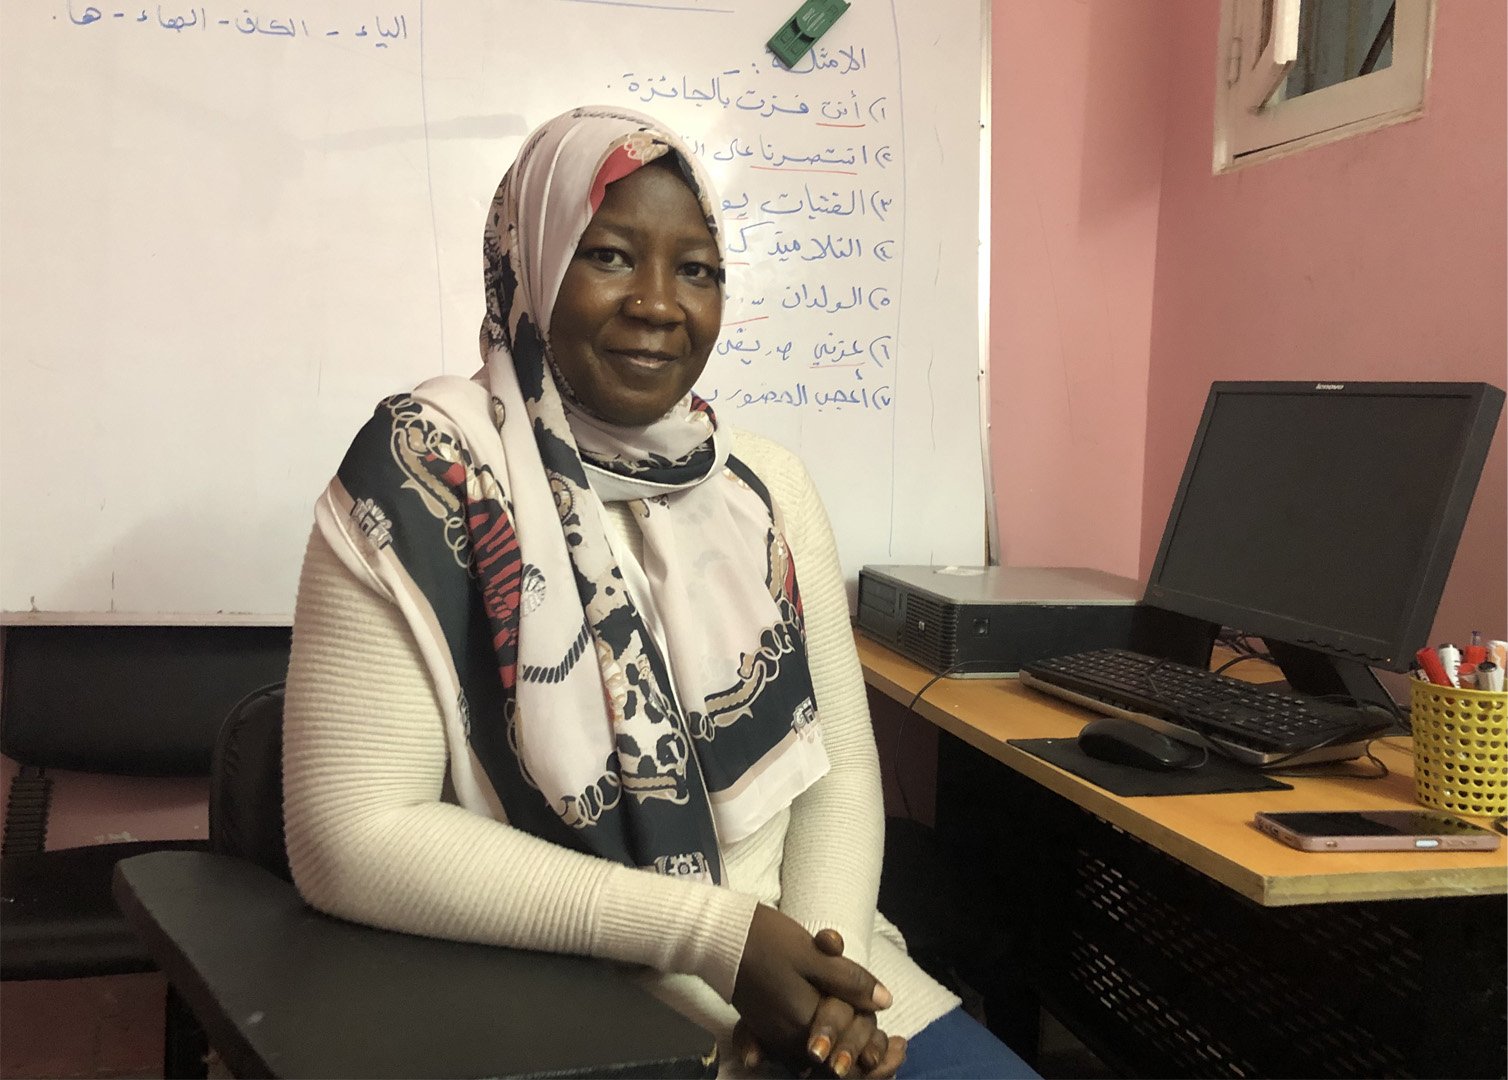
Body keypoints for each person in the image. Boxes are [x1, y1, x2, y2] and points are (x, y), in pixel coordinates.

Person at [283, 104, 1036, 1079]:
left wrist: (819, 991)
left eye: (696, 270)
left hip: (803, 975)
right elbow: (349, 839)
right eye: (607, 255)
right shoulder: (421, 479)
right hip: (553, 1007)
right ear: (534, 260)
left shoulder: (761, 487)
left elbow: (839, 767)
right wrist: (720, 940)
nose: (657, 303)